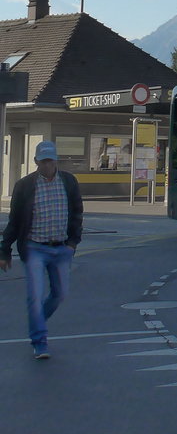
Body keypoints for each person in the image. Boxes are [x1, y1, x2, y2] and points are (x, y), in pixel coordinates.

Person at [1, 141, 83, 360]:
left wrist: (73, 242)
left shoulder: (69, 182)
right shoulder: (25, 186)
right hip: (35, 247)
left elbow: (77, 213)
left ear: (56, 160)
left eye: (50, 160)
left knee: (60, 294)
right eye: (43, 161)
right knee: (35, 297)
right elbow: (15, 221)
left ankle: (35, 323)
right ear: (36, 161)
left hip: (61, 248)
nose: (47, 165)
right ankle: (39, 341)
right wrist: (5, 250)